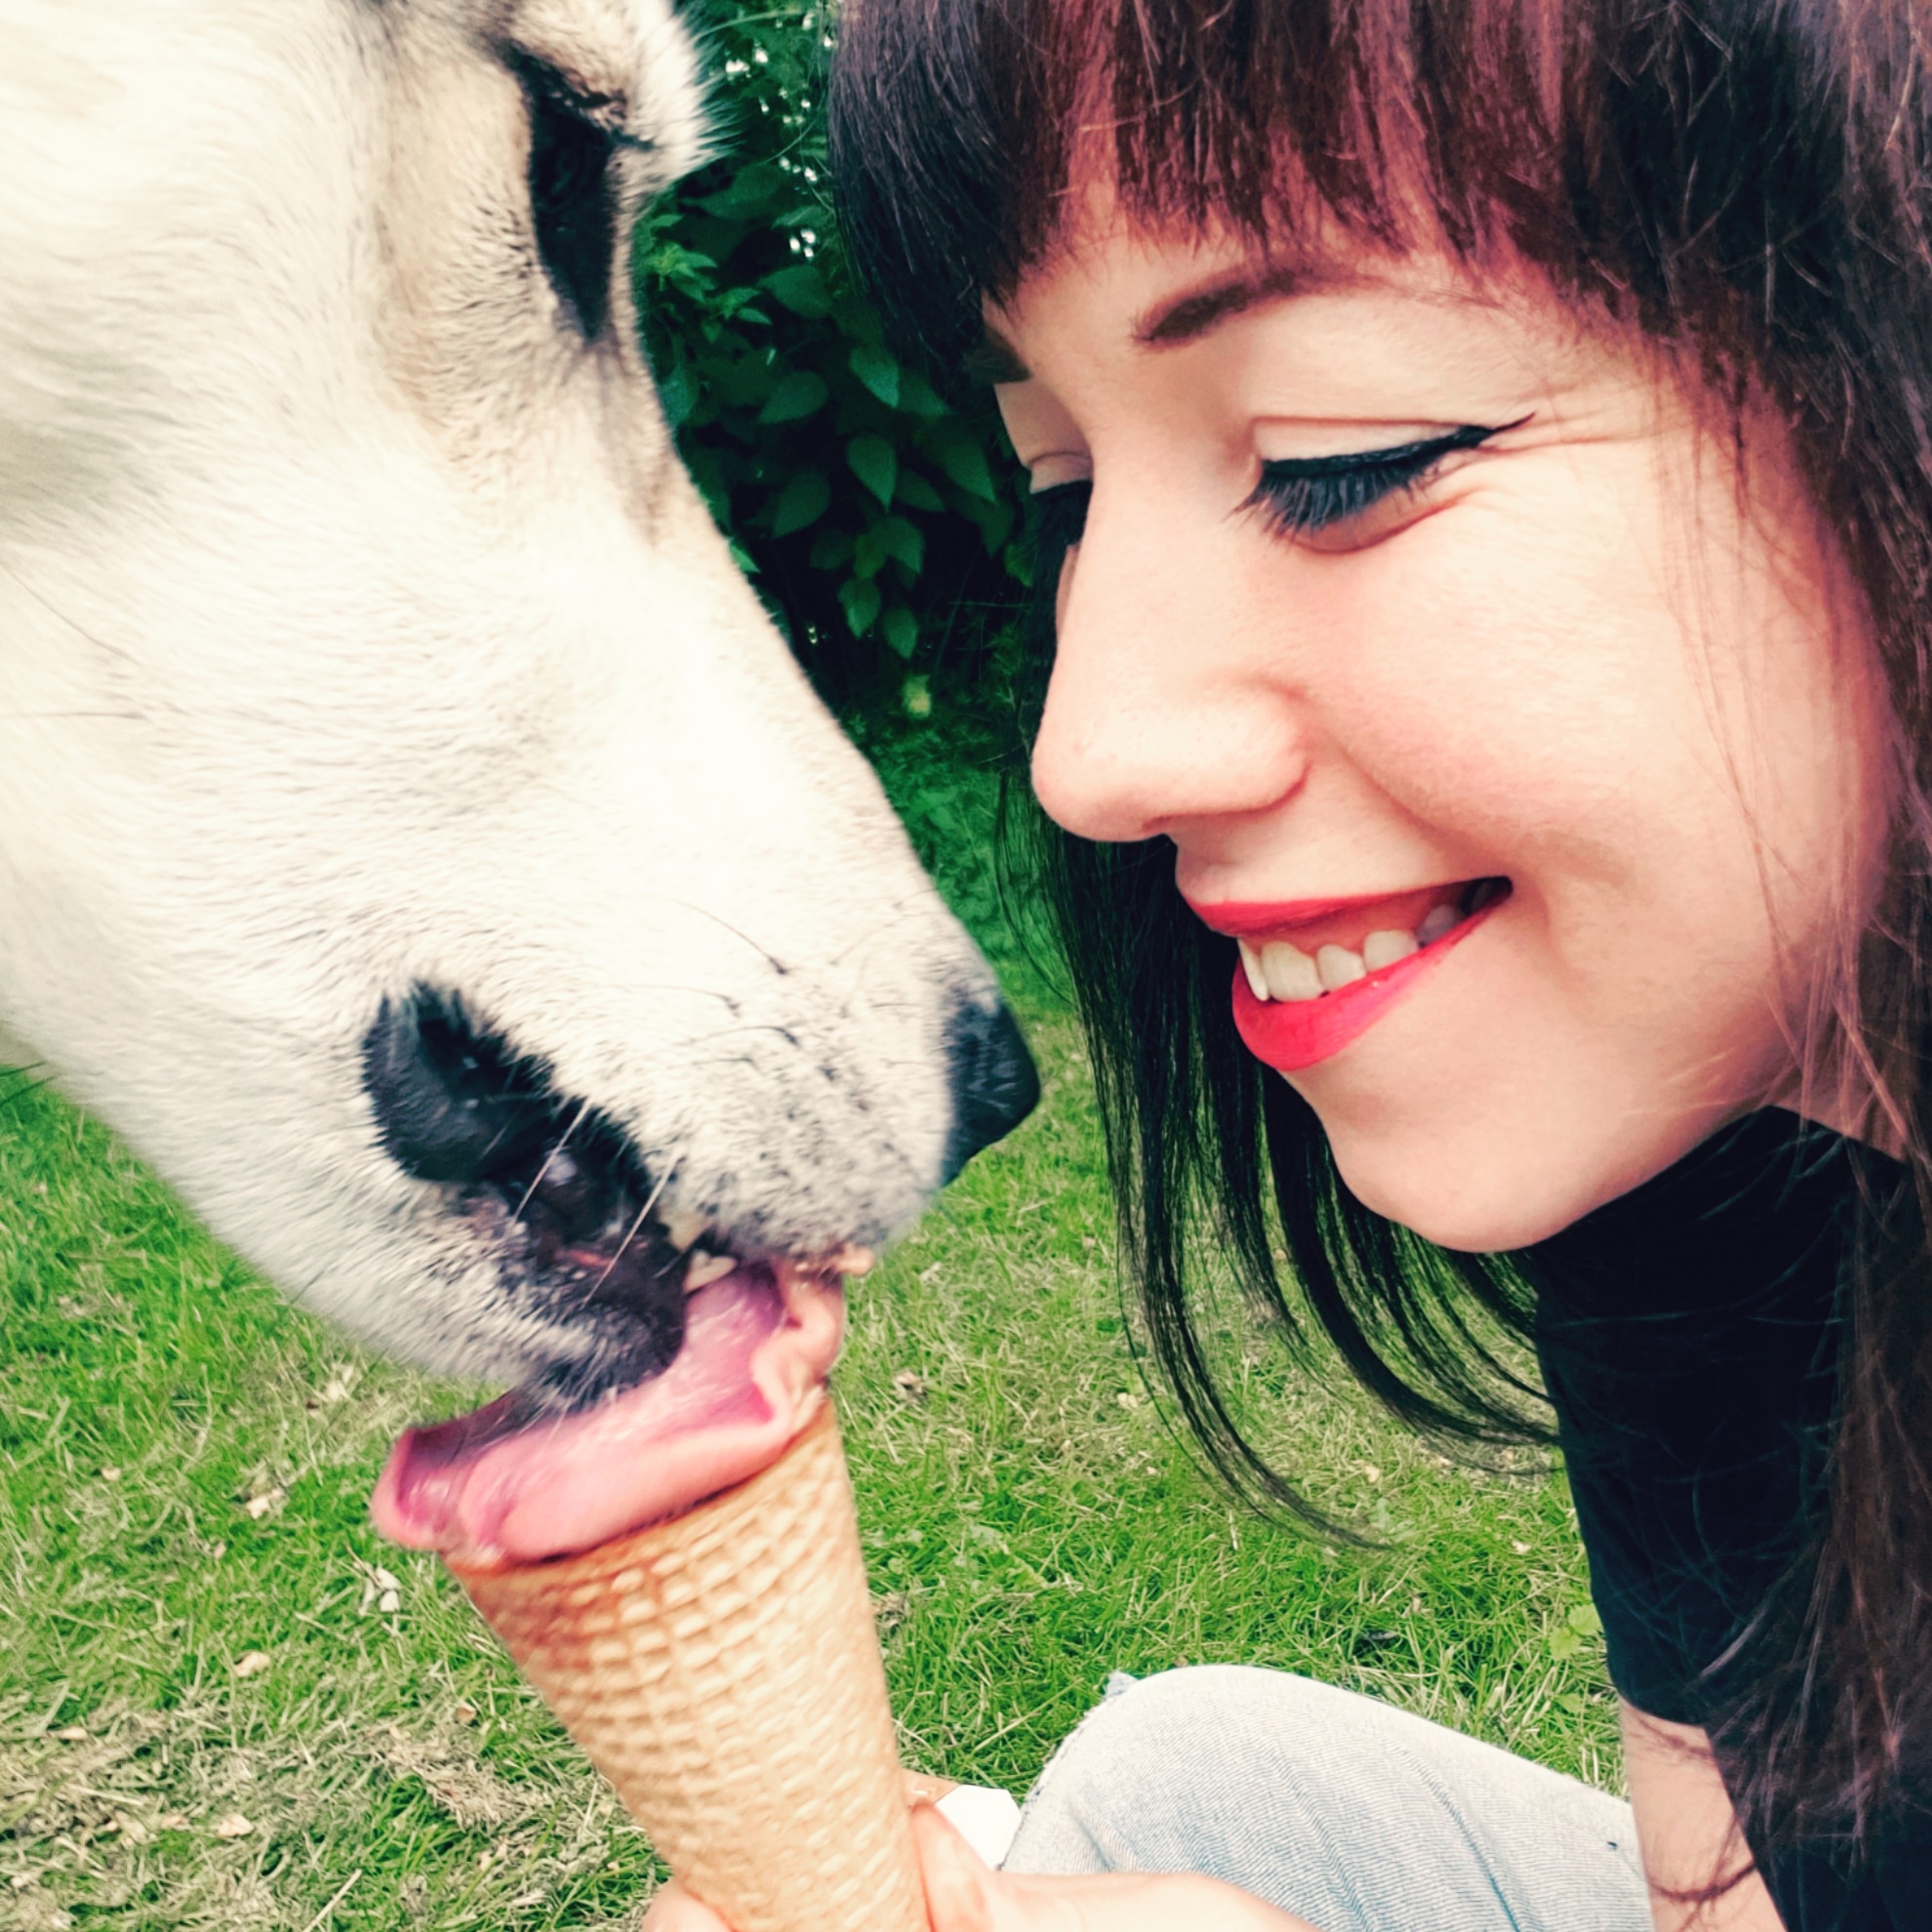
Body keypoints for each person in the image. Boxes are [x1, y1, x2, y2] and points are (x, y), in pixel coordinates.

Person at [651, 2, 1932, 1927]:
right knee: (1200, 1773)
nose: (1091, 756)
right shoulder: (1701, 1138)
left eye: (1343, 457)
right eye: (1064, 485)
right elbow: (1739, 1882)